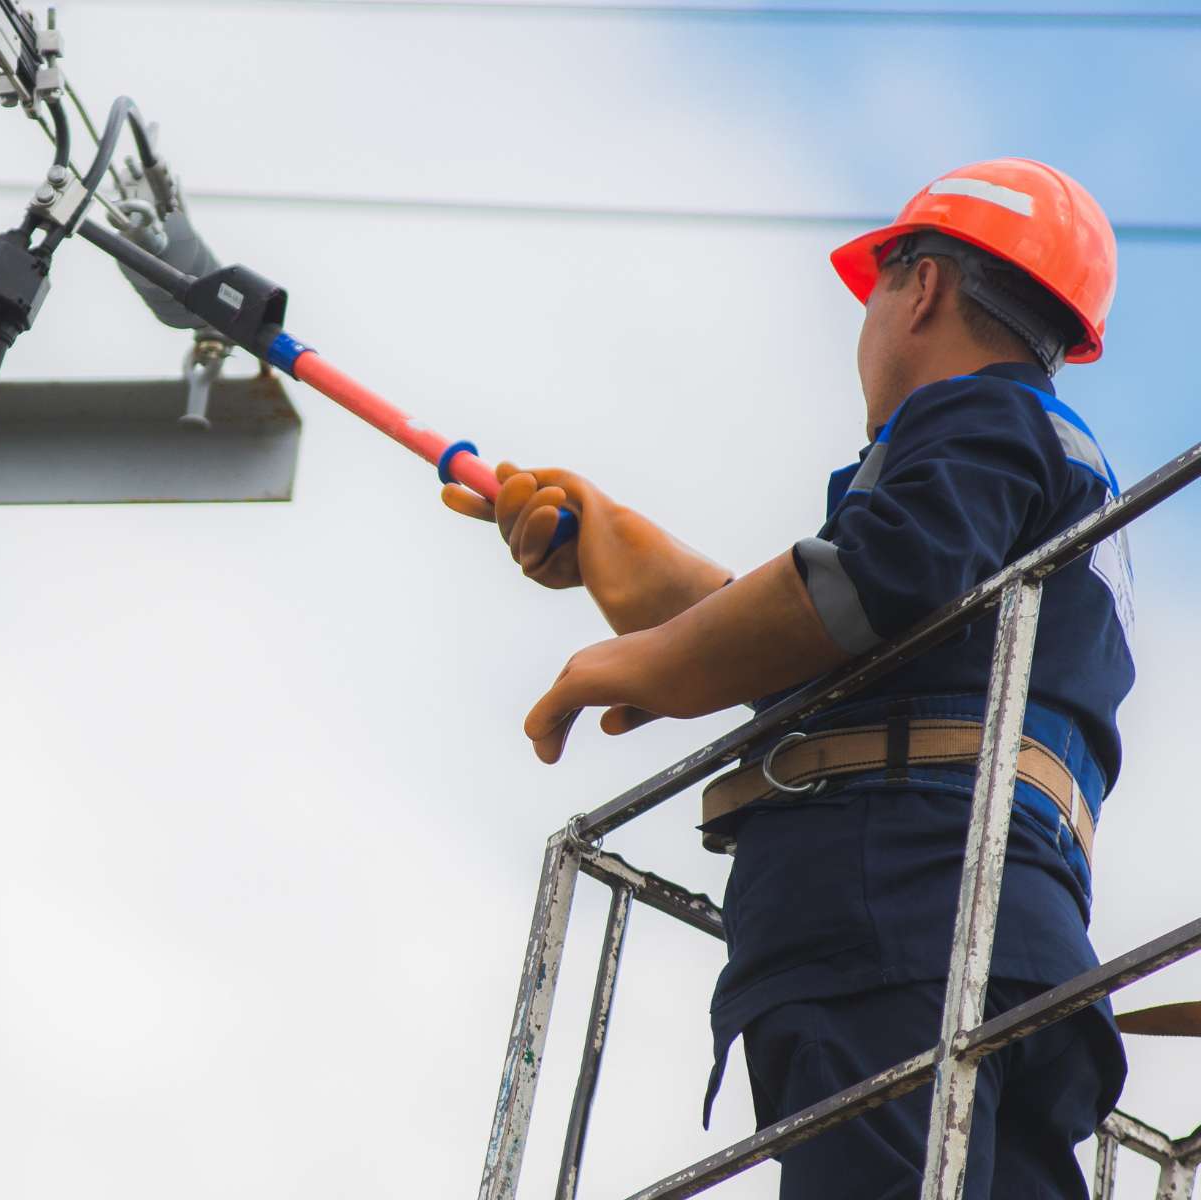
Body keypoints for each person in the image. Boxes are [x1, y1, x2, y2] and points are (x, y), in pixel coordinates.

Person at [444, 159, 1132, 1199]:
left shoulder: (976, 420)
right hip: (1015, 947)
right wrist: (617, 555)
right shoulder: (1047, 473)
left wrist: (640, 663)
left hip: (899, 918)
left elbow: (865, 584)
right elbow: (849, 653)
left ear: (921, 286)